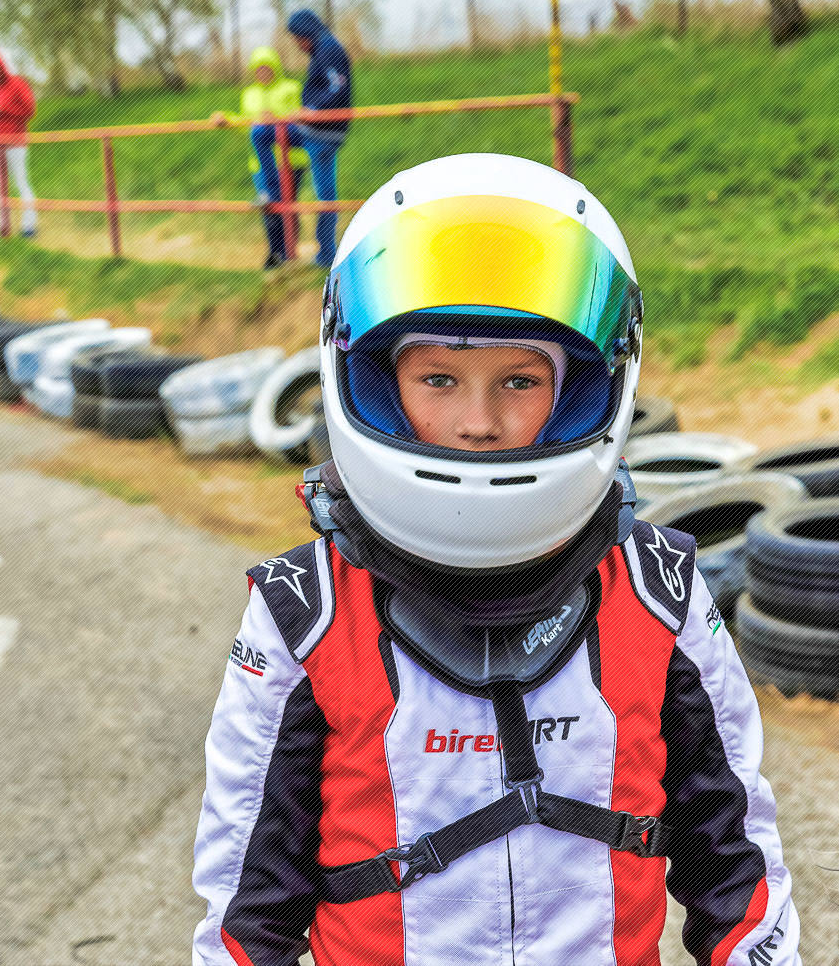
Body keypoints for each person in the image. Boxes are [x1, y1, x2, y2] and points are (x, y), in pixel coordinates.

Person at [192, 154, 799, 966]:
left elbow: (737, 860)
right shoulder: (303, 610)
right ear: (374, 382)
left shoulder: (657, 589)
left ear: (582, 390)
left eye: (517, 380)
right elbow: (245, 905)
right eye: (439, 377)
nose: (476, 422)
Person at [249, 10, 350, 267]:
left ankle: (326, 253)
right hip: (311, 128)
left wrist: (310, 111)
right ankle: (271, 191)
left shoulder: (328, 49)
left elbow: (338, 88)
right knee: (260, 132)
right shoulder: (322, 49)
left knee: (325, 194)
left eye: (297, 38)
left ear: (306, 33)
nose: (297, 44)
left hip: (321, 131)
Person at [216, 46, 310, 268]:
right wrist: (226, 119)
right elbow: (248, 125)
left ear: (275, 67)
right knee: (268, 207)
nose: (263, 73)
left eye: (267, 68)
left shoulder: (291, 88)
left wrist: (276, 119)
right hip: (260, 164)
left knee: (287, 205)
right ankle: (275, 253)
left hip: (289, 161)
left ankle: (289, 252)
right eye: (258, 69)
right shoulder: (249, 94)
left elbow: (302, 120)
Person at [0, 50, 38, 237]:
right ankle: (2, 226)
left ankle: (29, 226)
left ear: (1, 67)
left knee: (20, 181)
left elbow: (30, 109)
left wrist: (4, 109)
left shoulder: (17, 83)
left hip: (15, 143)